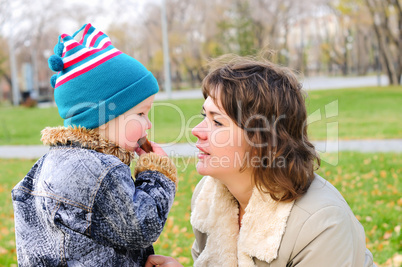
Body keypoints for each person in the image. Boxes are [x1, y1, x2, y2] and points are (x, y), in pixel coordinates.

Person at [146, 54, 375, 266]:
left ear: (262, 140)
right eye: (203, 116)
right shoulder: (208, 197)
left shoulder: (320, 223)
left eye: (217, 122)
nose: (196, 130)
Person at [12, 23, 178, 267]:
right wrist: (156, 173)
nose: (148, 124)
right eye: (141, 114)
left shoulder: (52, 162)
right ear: (104, 117)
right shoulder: (99, 171)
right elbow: (142, 226)